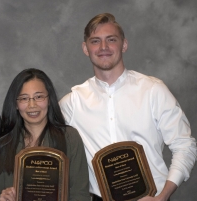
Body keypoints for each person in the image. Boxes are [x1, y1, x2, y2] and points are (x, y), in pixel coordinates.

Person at [59, 13, 197, 201]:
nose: (103, 47)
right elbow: (42, 144)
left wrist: (163, 196)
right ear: (85, 48)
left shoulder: (153, 91)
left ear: (124, 44)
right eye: (95, 41)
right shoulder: (72, 103)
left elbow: (185, 145)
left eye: (111, 40)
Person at [0, 68, 90, 201]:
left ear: (49, 99)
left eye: (39, 97)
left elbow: (80, 194)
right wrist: (2, 199)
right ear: (15, 104)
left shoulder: (70, 138)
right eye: (24, 98)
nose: (32, 105)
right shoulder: (3, 145)